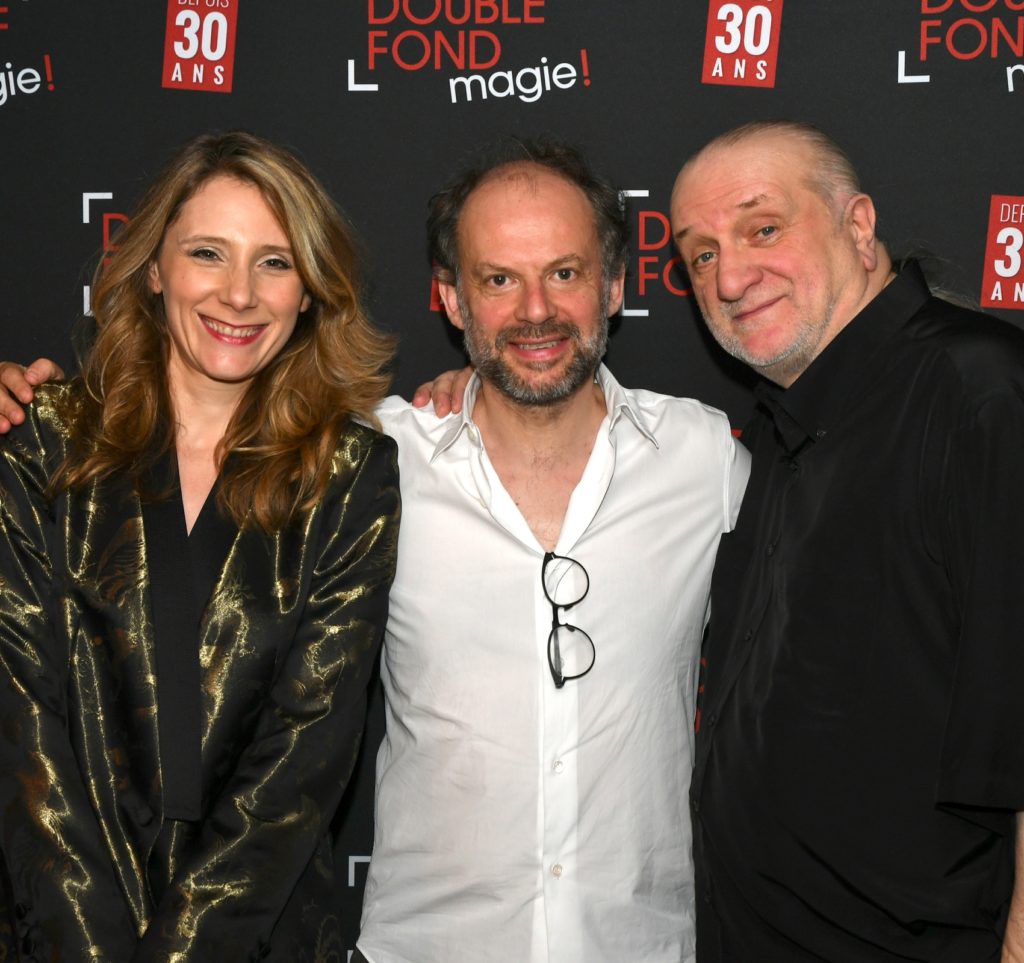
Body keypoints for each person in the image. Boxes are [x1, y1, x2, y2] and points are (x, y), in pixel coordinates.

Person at [0, 138, 749, 962]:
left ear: (614, 285)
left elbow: (298, 762)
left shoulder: (703, 457)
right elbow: (29, 730)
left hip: (637, 944)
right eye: (499, 279)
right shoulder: (381, 457)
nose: (535, 309)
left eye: (564, 273)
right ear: (452, 299)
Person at [0, 131, 401, 962]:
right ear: (154, 268)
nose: (239, 294)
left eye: (274, 262)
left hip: (264, 937)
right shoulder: (45, 441)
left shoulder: (349, 473)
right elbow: (24, 729)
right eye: (207, 253)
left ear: (309, 291)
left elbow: (301, 762)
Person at [668, 120, 1024, 960]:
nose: (731, 276)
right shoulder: (778, 429)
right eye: (701, 255)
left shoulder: (978, 391)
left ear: (858, 227)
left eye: (762, 228)